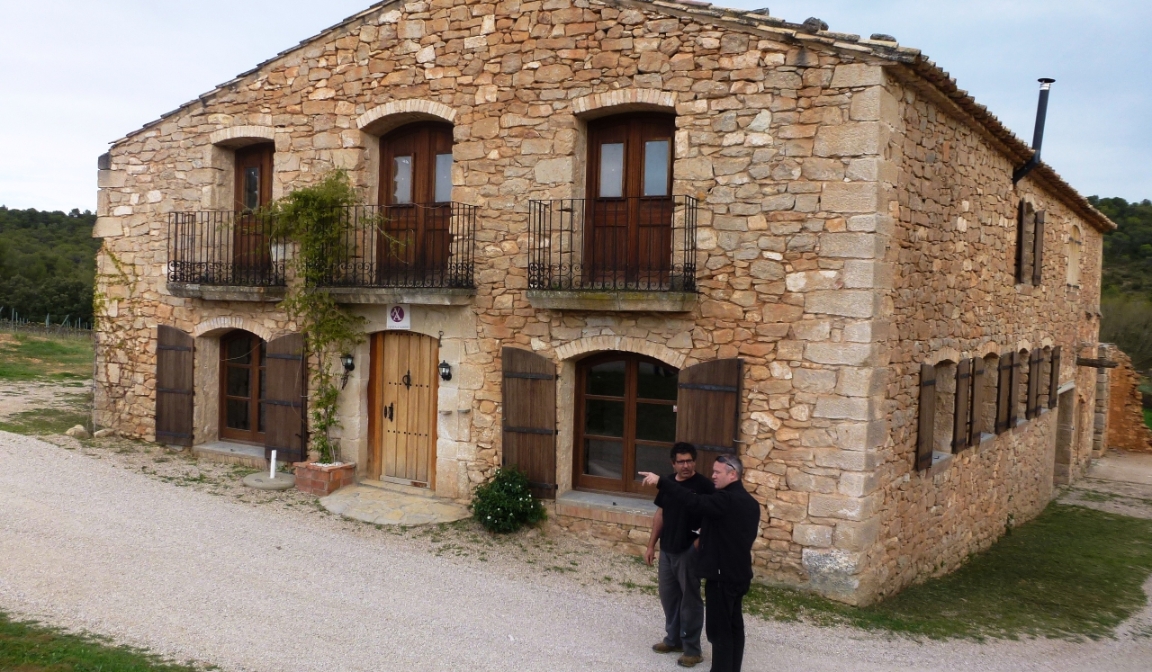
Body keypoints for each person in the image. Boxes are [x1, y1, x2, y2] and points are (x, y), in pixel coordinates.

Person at [640, 455, 761, 672]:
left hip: (722, 577)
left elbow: (694, 501)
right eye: (713, 471)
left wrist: (662, 482)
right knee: (734, 628)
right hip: (739, 575)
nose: (713, 475)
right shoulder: (750, 502)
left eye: (718, 472)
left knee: (719, 632)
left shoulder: (726, 500)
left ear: (732, 474)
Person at [645, 442, 714, 668]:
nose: (686, 465)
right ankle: (673, 639)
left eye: (689, 461)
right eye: (681, 461)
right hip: (667, 550)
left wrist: (696, 546)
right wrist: (651, 545)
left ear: (695, 461)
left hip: (688, 552)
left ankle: (692, 650)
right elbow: (661, 514)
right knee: (669, 598)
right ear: (673, 464)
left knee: (690, 601)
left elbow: (711, 521)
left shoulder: (704, 486)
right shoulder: (668, 483)